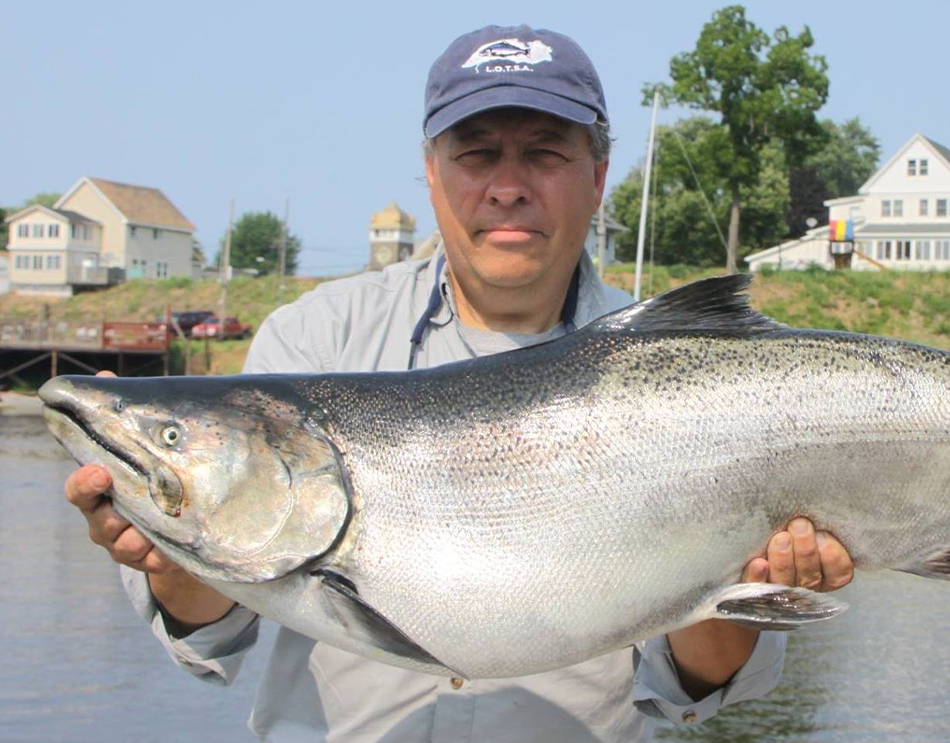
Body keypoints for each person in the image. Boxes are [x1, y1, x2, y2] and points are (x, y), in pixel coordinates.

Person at [64, 24, 854, 742]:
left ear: (598, 175)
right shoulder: (310, 341)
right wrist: (173, 551)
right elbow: (211, 628)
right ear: (432, 173)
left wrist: (748, 587)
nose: (508, 185)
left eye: (544, 153)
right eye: (477, 154)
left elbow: (691, 688)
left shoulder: (689, 371)